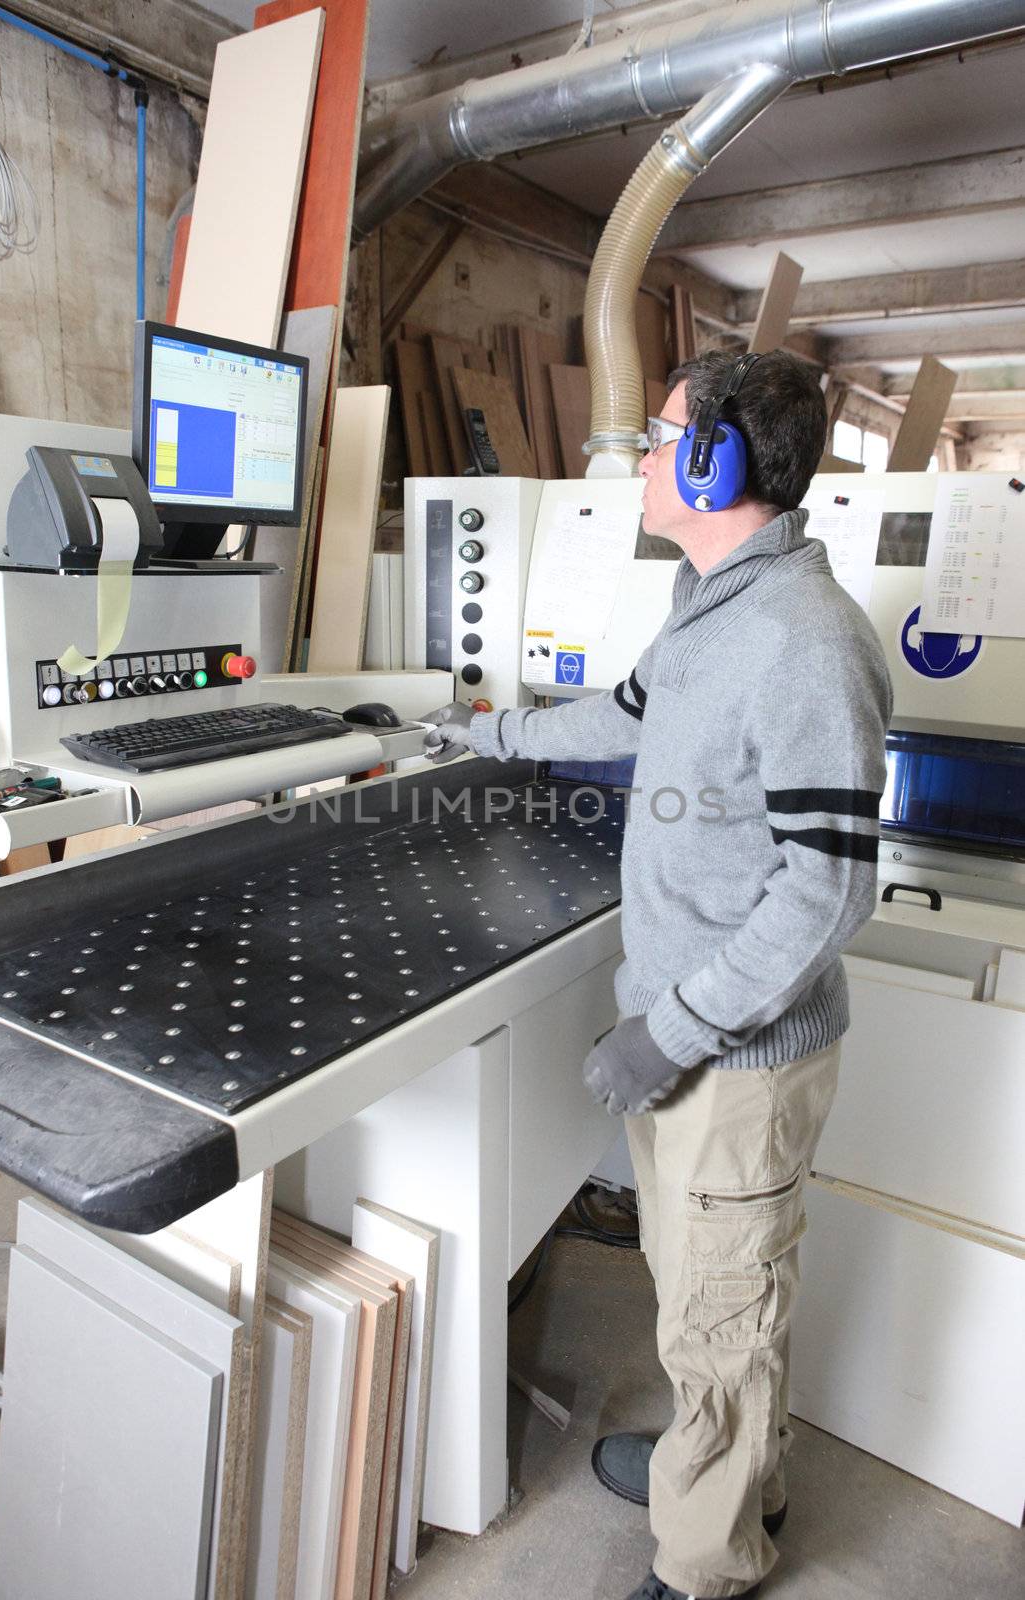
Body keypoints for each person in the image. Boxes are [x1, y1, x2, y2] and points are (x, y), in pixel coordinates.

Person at [422, 348, 892, 1600]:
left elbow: (827, 885)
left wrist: (671, 1026)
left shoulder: (800, 638)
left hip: (735, 1055)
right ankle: (731, 1466)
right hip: (693, 1037)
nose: (633, 457)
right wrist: (487, 732)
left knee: (720, 1313)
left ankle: (705, 1565)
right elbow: (626, 715)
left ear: (713, 460)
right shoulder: (711, 603)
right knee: (704, 1295)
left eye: (658, 436)